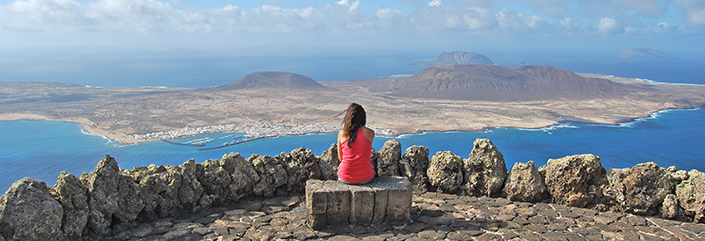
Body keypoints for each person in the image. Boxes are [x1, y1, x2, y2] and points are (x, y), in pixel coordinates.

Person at [337, 103, 375, 184]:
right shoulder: (370, 133)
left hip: (345, 178)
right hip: (366, 178)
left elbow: (341, 159)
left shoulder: (342, 134)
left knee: (341, 165)